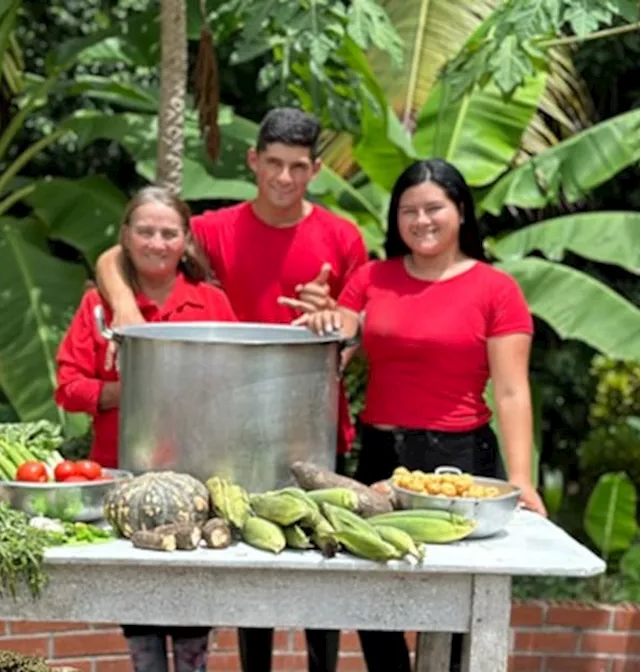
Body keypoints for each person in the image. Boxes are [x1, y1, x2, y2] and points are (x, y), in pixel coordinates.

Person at [92, 108, 367, 672]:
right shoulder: (217, 229)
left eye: (297, 167)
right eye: (273, 164)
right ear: (253, 161)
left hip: (309, 434)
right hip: (225, 438)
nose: (284, 179)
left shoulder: (342, 237)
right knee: (244, 578)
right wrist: (121, 305)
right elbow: (116, 254)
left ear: (315, 168)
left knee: (321, 571)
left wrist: (334, 316)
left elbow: (358, 326)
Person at [292, 158, 548, 671]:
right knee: (368, 593)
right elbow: (344, 323)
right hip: (380, 458)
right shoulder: (372, 278)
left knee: (454, 602)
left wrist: (521, 480)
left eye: (434, 208)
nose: (421, 220)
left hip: (459, 461)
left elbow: (513, 391)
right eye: (409, 211)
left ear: (460, 212)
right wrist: (328, 315)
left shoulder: (497, 290)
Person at [55, 185, 234, 672]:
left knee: (193, 594)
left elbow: (233, 385)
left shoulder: (211, 304)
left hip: (197, 476)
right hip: (122, 475)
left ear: (186, 241)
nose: (157, 242)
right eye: (146, 231)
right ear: (126, 237)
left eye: (169, 233)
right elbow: (68, 384)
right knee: (138, 599)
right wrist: (119, 393)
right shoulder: (98, 305)